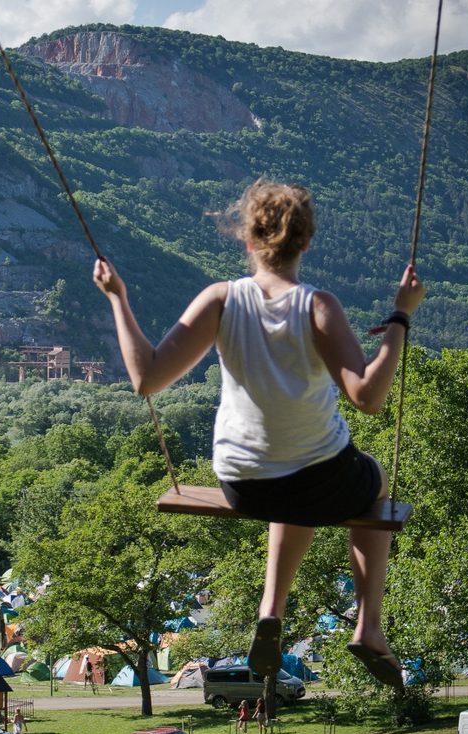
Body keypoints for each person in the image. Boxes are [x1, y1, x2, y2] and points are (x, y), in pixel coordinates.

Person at [94, 179, 424, 688]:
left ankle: (271, 608)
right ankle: (369, 626)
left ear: (247, 241)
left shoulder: (221, 300)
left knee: (290, 483)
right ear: (307, 242)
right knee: (371, 480)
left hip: (243, 482)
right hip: (319, 479)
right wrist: (401, 316)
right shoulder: (319, 306)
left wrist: (118, 298)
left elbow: (146, 379)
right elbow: (369, 397)